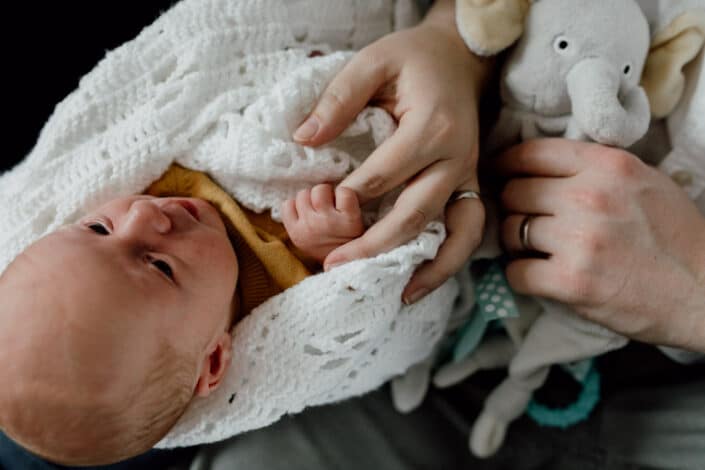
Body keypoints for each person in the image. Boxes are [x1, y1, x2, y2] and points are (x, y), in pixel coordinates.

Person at [0, 164, 365, 466]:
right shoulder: (288, 292)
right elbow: (357, 293)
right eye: (160, 265)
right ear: (215, 360)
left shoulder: (144, 182)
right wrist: (329, 246)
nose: (142, 213)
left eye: (98, 227)